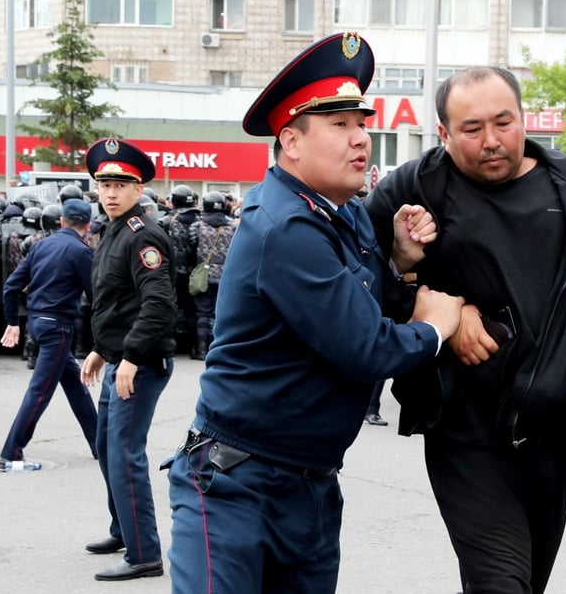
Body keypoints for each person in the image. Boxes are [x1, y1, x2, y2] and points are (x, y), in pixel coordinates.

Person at [166, 33, 463, 594]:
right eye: (339, 125)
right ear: (291, 142)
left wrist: (398, 262)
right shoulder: (285, 225)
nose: (361, 139)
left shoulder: (341, 214)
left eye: (361, 123)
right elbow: (365, 347)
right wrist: (436, 327)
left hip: (309, 484)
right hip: (237, 483)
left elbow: (356, 299)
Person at [365, 66, 566, 593]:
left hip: (552, 430)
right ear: (443, 133)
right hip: (464, 430)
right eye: (472, 128)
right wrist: (425, 299)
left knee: (526, 581)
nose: (491, 141)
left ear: (523, 119)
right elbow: (357, 284)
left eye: (504, 123)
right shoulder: (413, 188)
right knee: (499, 584)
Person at [78, 137, 177, 581]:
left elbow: (158, 304)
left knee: (124, 452)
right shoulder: (111, 231)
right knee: (106, 447)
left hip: (141, 363)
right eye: (105, 184)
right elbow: (117, 303)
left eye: (122, 184)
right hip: (118, 358)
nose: (111, 193)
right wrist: (101, 350)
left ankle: (144, 554)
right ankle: (123, 529)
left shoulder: (144, 235)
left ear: (140, 189)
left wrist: (131, 357)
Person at [0, 199, 97, 469]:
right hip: (59, 326)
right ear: (87, 226)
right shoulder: (82, 251)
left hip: (37, 323)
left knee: (76, 386)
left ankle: (100, 443)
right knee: (39, 392)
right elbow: (96, 297)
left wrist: (12, 322)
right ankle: (12, 453)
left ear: (62, 221)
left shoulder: (40, 245)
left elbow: (11, 286)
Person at [190, 190, 235, 360]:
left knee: (202, 312)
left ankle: (201, 349)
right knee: (218, 313)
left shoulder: (197, 226)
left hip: (204, 276)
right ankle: (215, 348)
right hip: (225, 277)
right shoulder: (233, 228)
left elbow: (190, 250)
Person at [158, 185, 200, 358]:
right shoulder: (200, 219)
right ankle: (195, 346)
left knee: (171, 307)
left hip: (173, 272)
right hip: (197, 273)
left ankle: (172, 346)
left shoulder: (167, 220)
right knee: (193, 309)